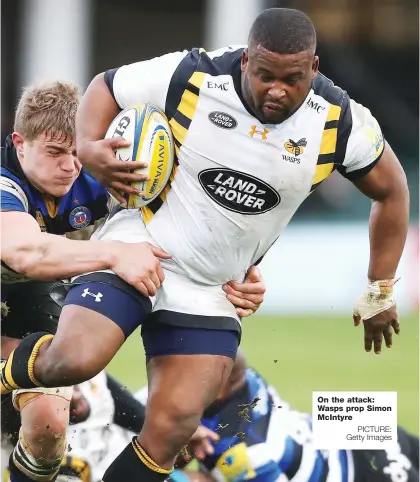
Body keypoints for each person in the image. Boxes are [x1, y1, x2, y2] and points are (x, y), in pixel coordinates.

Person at [1, 7, 409, 482]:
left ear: (314, 69)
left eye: (292, 79)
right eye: (265, 75)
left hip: (214, 288)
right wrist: (90, 147)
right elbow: (106, 86)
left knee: (173, 430)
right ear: (244, 62)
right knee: (74, 358)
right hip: (142, 245)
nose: (276, 89)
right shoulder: (195, 74)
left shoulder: (341, 122)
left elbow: (393, 190)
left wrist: (379, 290)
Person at [0, 81, 265, 482]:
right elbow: (25, 253)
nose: (70, 166)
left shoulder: (97, 178)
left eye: (76, 153)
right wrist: (113, 253)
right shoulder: (5, 186)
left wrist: (240, 271)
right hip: (21, 277)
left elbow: (181, 224)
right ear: (20, 143)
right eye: (55, 153)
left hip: (30, 295)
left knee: (49, 428)